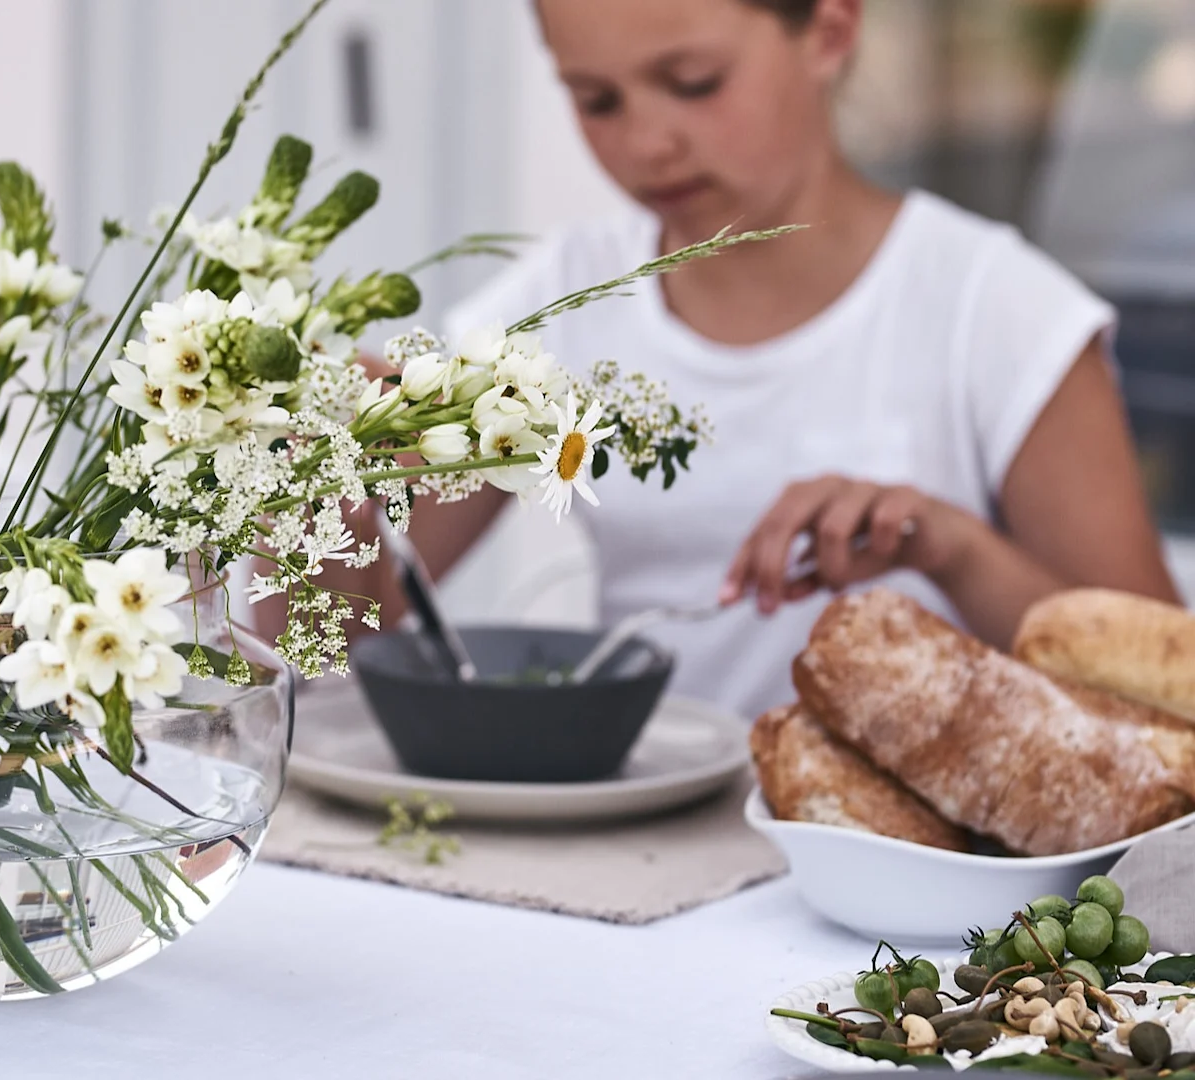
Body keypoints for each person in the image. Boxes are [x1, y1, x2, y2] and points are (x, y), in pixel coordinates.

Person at [320, 0, 1182, 721]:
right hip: (638, 859)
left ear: (832, 30)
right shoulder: (566, 298)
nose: (648, 143)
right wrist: (314, 486)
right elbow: (331, 645)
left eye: (694, 84)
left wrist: (950, 547)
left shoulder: (991, 309)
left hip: (915, 875)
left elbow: (1166, 695)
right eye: (596, 100)